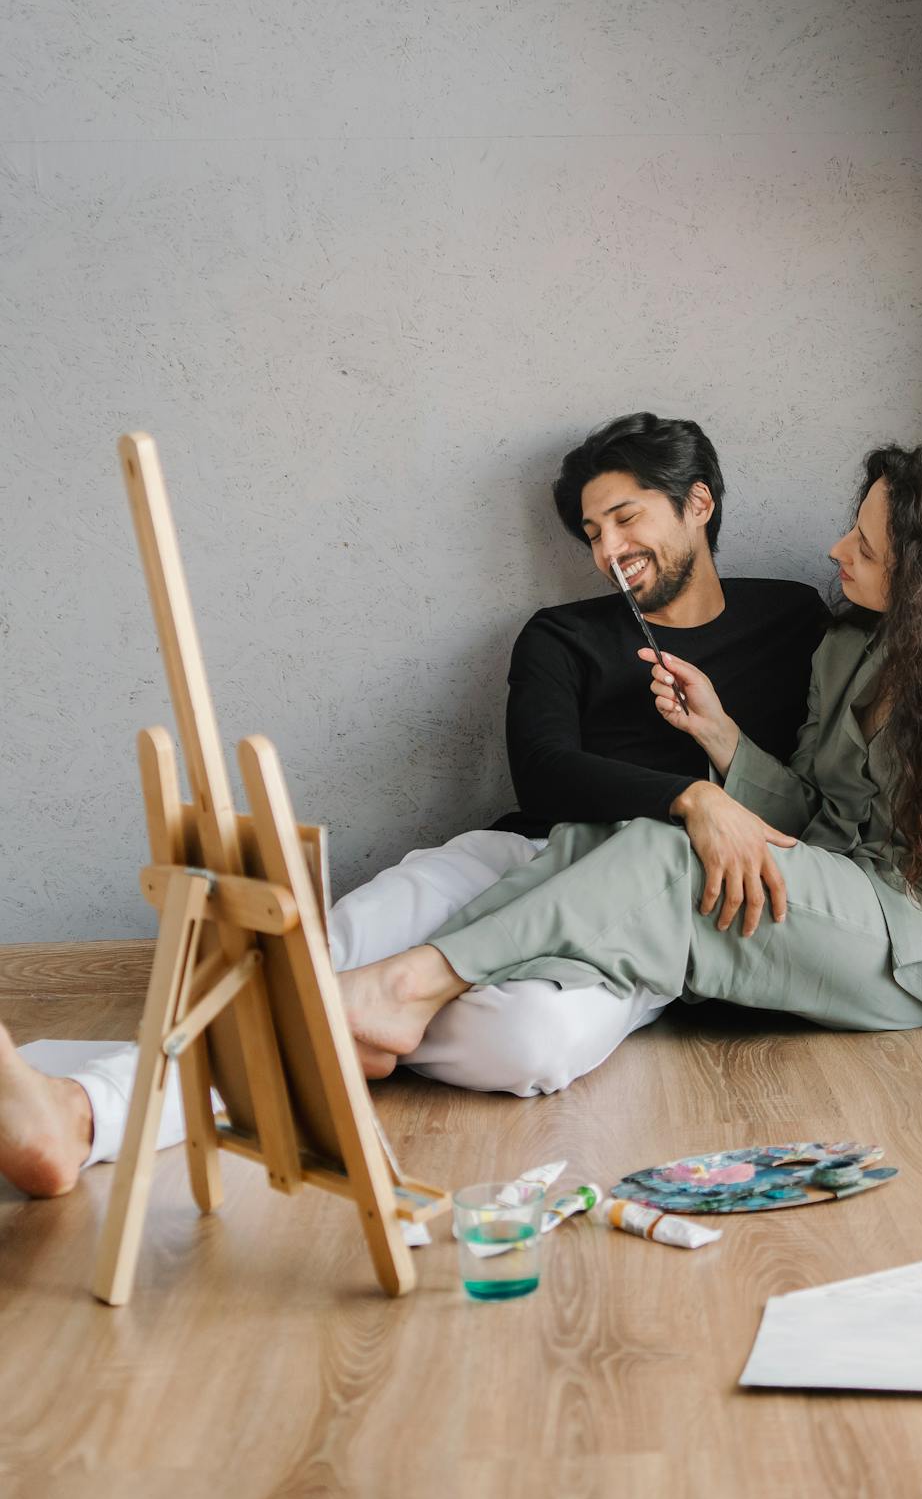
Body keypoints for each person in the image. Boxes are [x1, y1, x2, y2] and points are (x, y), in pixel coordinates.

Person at [0, 414, 826, 1197]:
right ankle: (83, 1114)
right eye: (591, 533)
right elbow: (541, 772)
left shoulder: (792, 619)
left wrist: (718, 765)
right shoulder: (560, 634)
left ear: (699, 503)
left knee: (529, 1046)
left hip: (641, 906)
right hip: (519, 854)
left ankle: (329, 1023)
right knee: (319, 952)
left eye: (624, 517)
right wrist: (686, 797)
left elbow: (819, 781)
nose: (608, 549)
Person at [336, 443, 922, 1082]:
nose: (837, 549)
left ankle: (404, 991)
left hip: (921, 942)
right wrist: (721, 735)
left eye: (862, 543)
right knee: (609, 838)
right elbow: (809, 811)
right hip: (831, 884)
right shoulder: (849, 649)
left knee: (667, 848)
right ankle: (403, 989)